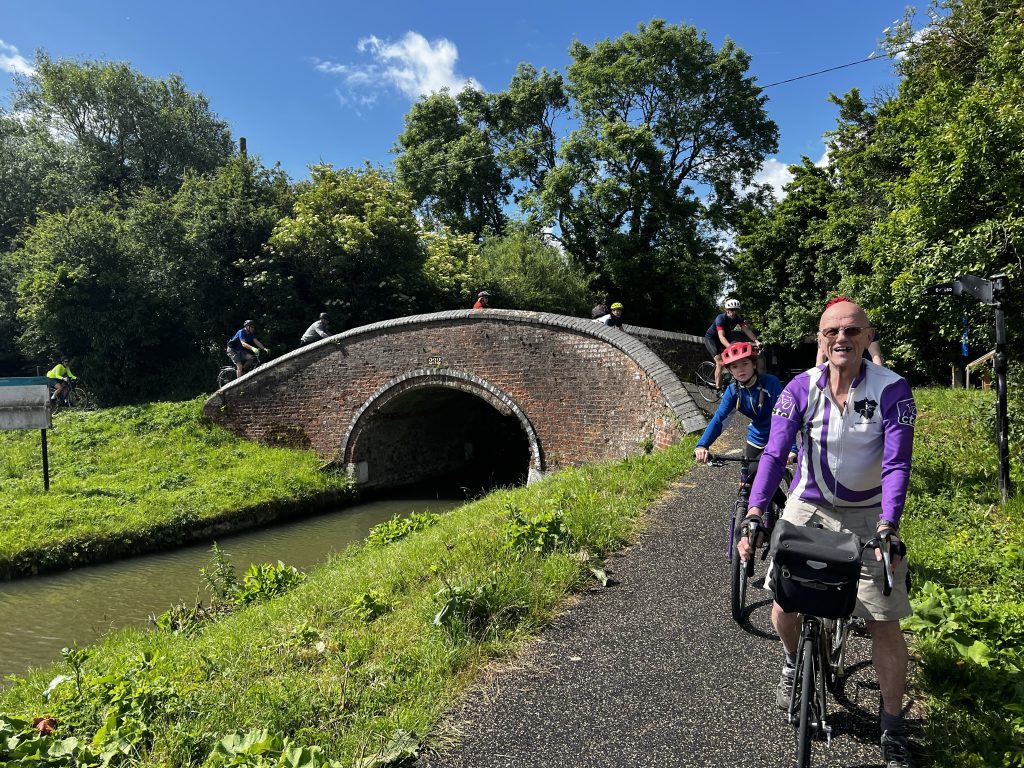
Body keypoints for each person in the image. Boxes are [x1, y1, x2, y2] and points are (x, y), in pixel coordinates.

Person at [739, 300, 916, 768]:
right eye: (831, 331)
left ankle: (893, 725)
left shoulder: (893, 389)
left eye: (852, 331)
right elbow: (774, 456)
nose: (841, 338)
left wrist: (888, 526)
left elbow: (897, 463)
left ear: (867, 336)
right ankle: (795, 661)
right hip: (810, 503)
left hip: (870, 511)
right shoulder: (800, 389)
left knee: (883, 619)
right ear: (820, 338)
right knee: (784, 602)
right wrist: (756, 512)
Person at [693, 341, 796, 469]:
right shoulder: (732, 391)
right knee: (746, 479)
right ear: (730, 370)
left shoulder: (771, 383)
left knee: (758, 475)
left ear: (754, 364)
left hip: (776, 436)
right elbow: (719, 419)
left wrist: (791, 447)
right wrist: (702, 445)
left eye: (745, 363)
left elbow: (784, 417)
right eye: (734, 367)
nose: (740, 370)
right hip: (756, 436)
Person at [704, 299, 761, 389]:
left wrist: (756, 341)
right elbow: (721, 337)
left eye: (736, 310)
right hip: (712, 339)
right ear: (727, 310)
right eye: (732, 310)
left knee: (738, 354)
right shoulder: (720, 318)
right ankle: (718, 387)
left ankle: (732, 378)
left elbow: (746, 330)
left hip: (727, 336)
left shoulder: (737, 318)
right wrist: (730, 347)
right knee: (720, 363)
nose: (734, 313)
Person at [815, 296, 884, 366]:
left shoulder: (865, 328)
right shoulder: (824, 330)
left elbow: (876, 356)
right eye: (833, 332)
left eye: (852, 330)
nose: (841, 338)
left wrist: (878, 375)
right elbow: (821, 355)